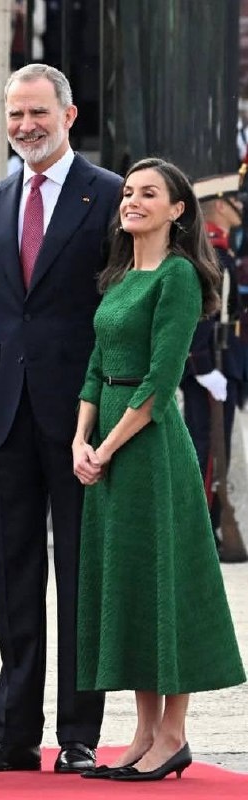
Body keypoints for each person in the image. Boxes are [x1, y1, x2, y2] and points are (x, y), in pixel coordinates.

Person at [0, 63, 122, 774]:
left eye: (38, 113)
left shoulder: (109, 194)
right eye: (15, 114)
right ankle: (15, 734)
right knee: (14, 577)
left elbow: (117, 310)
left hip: (81, 416)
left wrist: (106, 415)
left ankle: (79, 735)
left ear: (68, 115)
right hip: (4, 417)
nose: (25, 126)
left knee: (81, 577)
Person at [73, 157, 246, 781]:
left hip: (150, 448)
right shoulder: (120, 276)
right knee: (131, 584)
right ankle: (144, 731)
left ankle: (173, 733)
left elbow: (161, 379)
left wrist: (106, 448)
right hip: (107, 445)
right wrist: (79, 439)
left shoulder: (179, 276)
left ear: (177, 211)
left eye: (149, 193)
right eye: (128, 191)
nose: (132, 200)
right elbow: (97, 365)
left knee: (162, 581)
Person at [180, 174, 245, 548]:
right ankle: (200, 530)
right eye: (236, 201)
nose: (241, 208)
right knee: (207, 449)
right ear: (220, 204)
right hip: (211, 366)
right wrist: (204, 369)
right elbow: (200, 316)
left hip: (221, 364)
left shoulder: (221, 252)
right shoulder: (213, 255)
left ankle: (209, 526)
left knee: (214, 450)